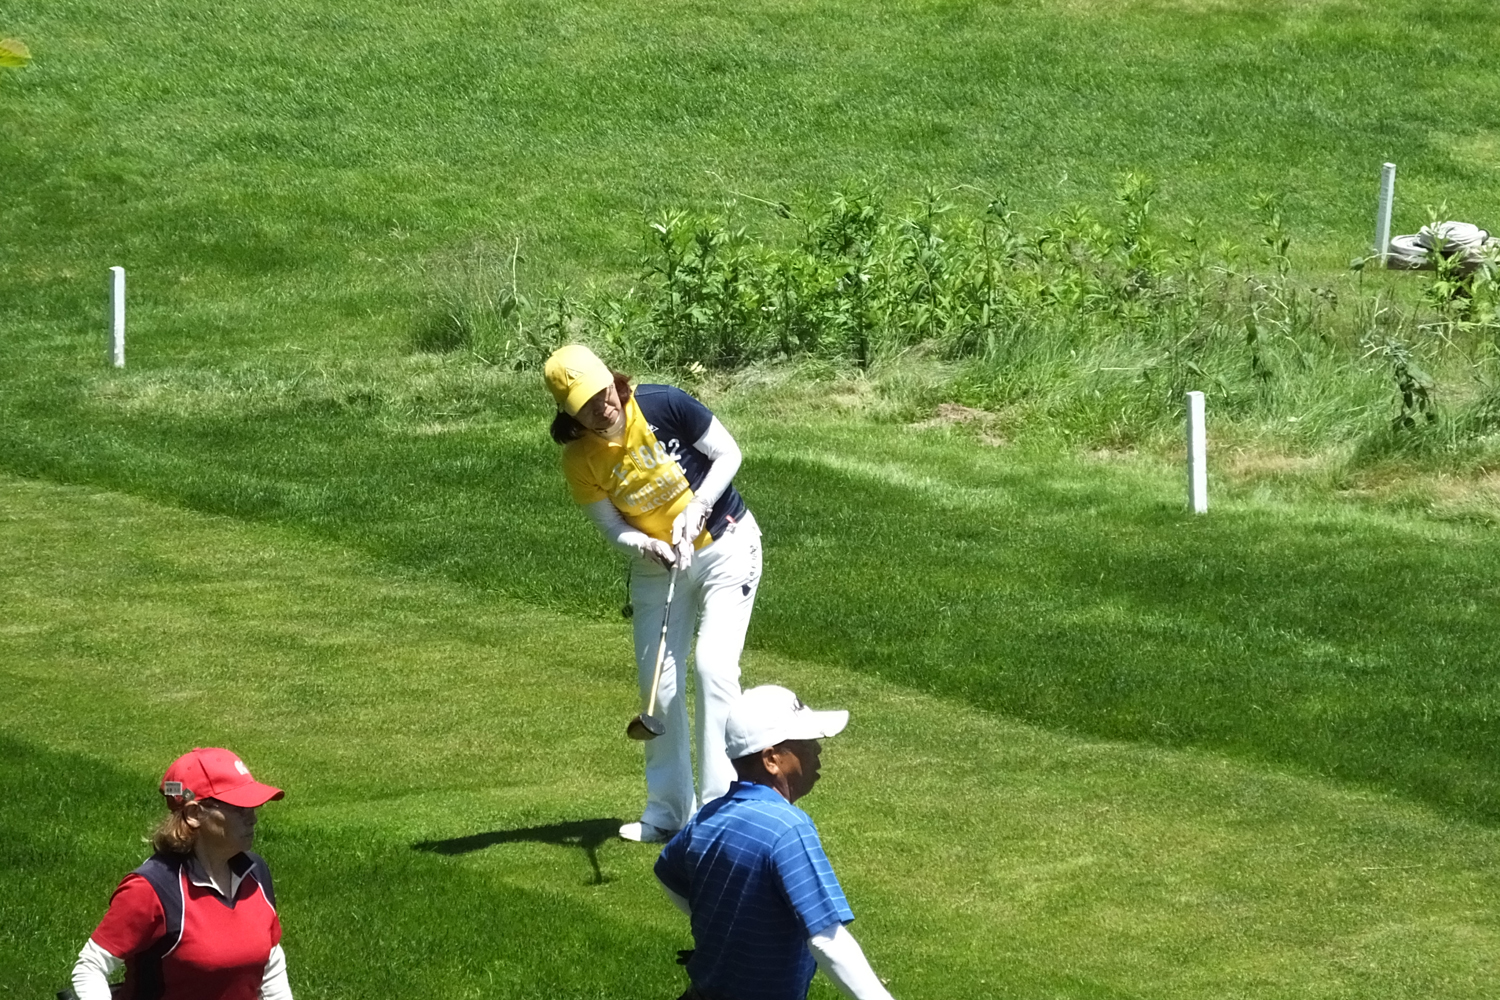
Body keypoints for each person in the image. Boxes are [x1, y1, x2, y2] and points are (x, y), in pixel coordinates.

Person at [545, 345, 763, 844]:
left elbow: (729, 454)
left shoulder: (663, 403)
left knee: (713, 668)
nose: (602, 407)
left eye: (604, 392)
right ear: (567, 412)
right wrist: (644, 544)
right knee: (658, 688)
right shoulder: (579, 460)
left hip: (726, 543)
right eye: (586, 404)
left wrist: (698, 506)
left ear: (613, 380)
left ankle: (719, 810)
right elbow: (611, 525)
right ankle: (667, 813)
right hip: (658, 566)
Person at [654, 685, 896, 1000]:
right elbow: (827, 939)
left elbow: (668, 874)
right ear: (771, 759)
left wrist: (722, 940)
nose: (818, 751)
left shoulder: (708, 818)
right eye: (805, 743)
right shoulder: (788, 829)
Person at [70, 747, 293, 1000]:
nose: (252, 819)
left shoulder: (254, 873)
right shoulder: (152, 889)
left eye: (254, 808)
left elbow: (270, 959)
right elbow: (90, 968)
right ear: (194, 814)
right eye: (240, 809)